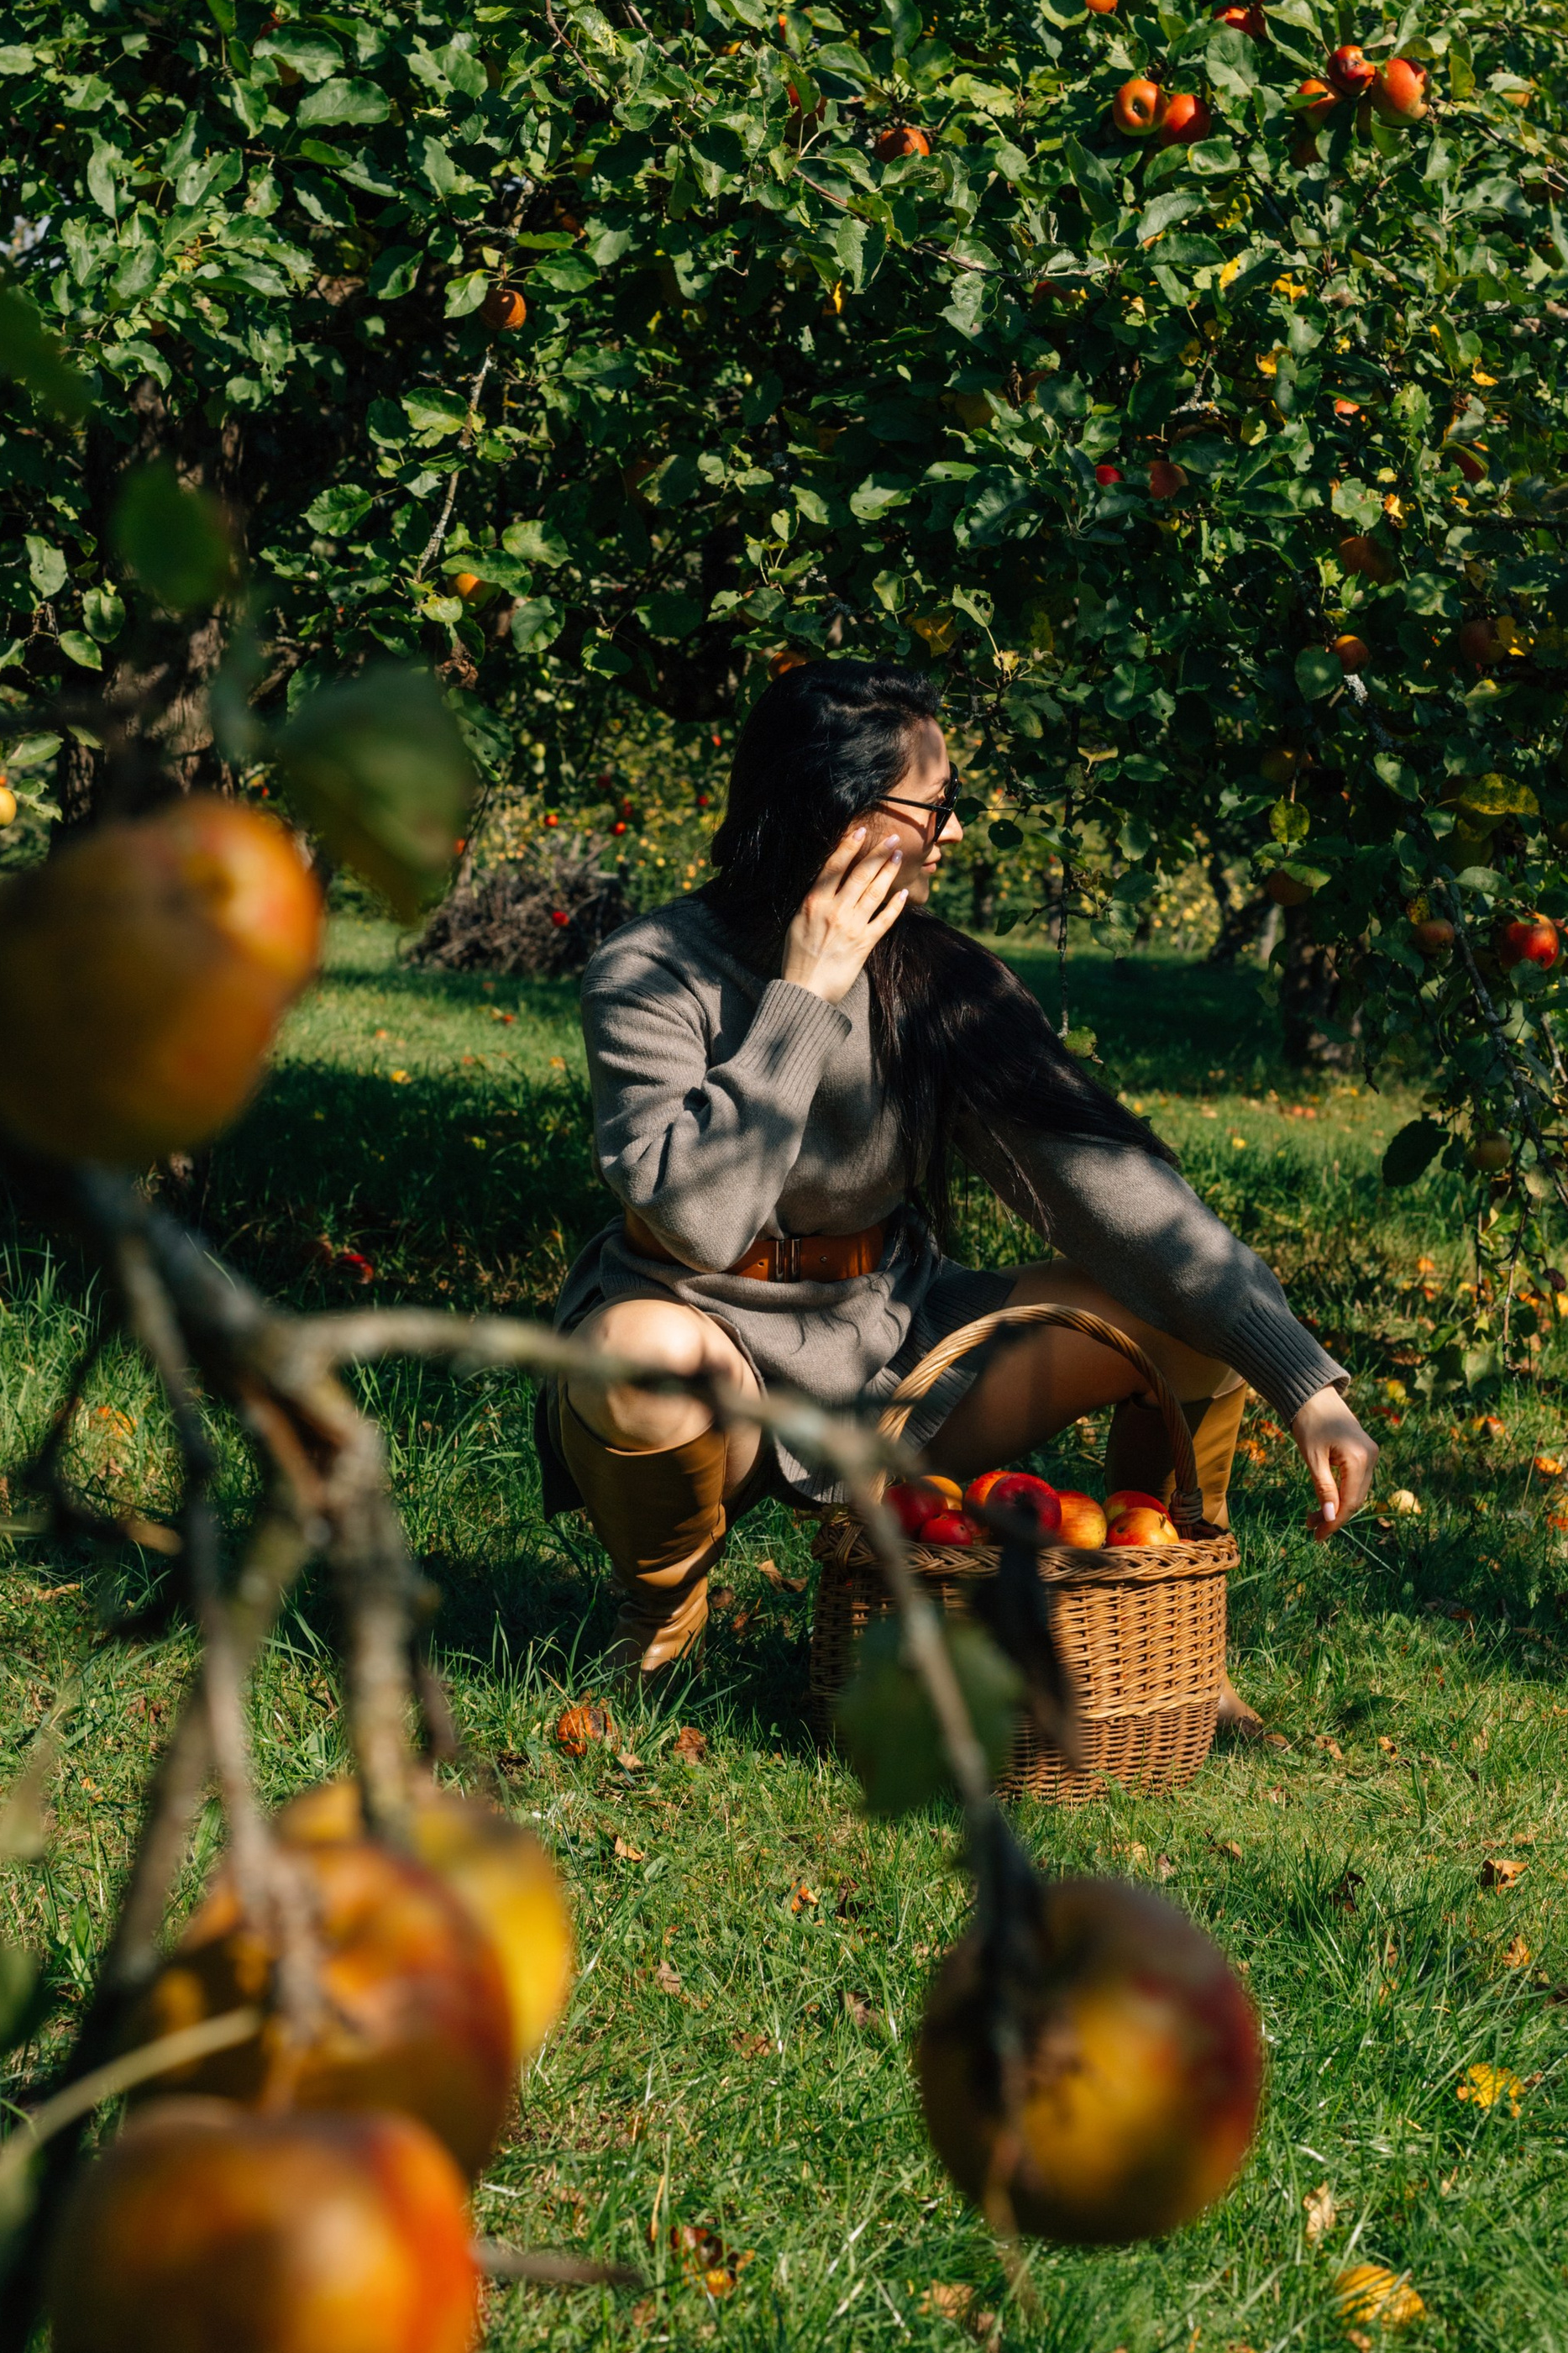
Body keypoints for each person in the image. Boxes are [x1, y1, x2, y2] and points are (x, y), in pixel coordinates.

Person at [541, 660, 1376, 1715]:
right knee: (636, 1356)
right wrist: (804, 996)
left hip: (891, 1351)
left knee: (1175, 1319)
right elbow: (700, 1222)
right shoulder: (652, 972)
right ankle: (660, 1608)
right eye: (937, 806)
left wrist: (1304, 1382)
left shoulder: (939, 980)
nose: (955, 833)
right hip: (708, 1340)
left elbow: (1109, 1192)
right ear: (842, 816)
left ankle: (1171, 1620)